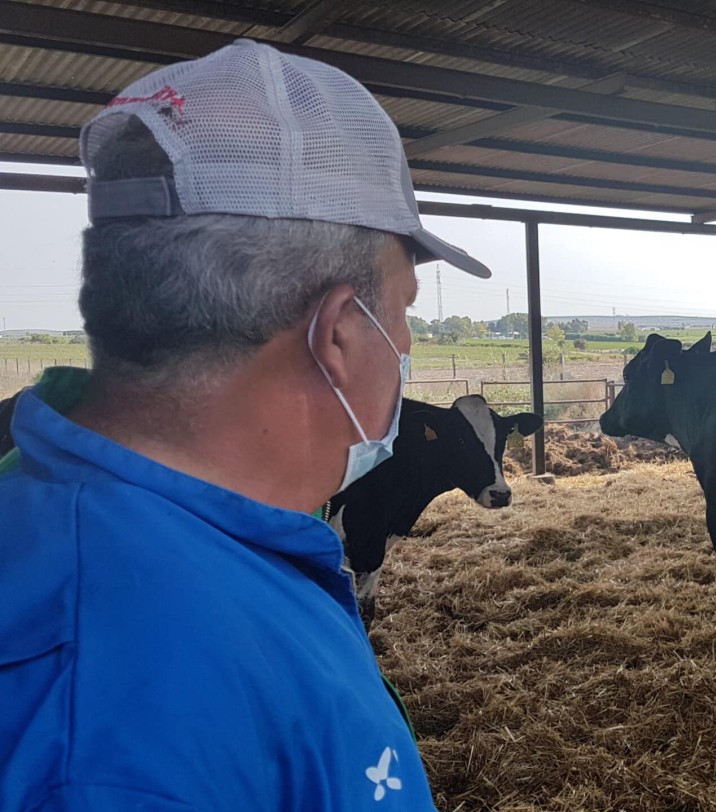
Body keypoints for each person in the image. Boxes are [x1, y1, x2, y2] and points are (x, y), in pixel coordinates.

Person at [0, 39, 492, 810]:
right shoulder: (106, 738)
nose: (403, 348)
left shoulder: (141, 536)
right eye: (401, 315)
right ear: (337, 333)